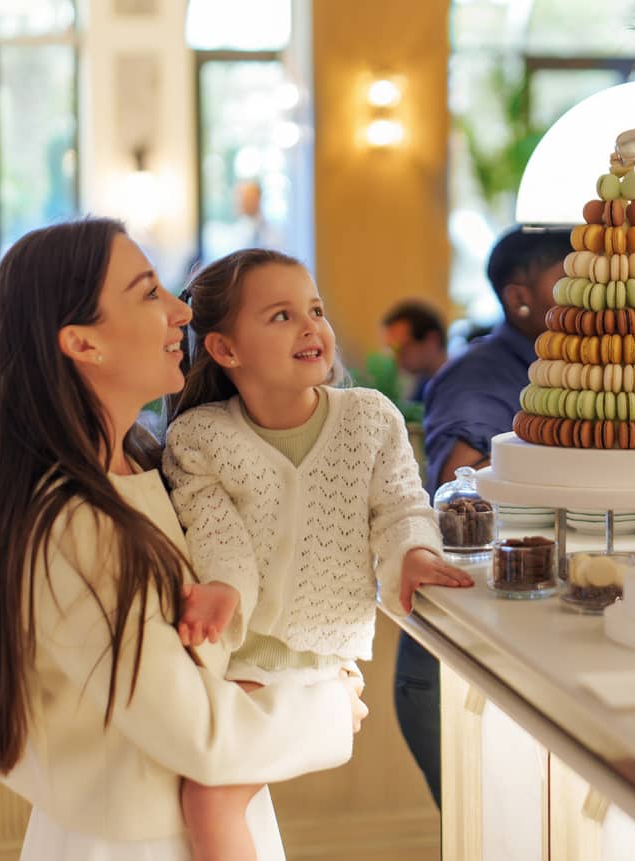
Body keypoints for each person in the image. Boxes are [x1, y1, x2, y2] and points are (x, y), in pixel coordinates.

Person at [0, 218, 368, 860]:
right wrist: (328, 705)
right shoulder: (74, 521)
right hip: (135, 843)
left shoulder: (149, 467)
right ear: (82, 343)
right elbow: (197, 732)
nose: (180, 310)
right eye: (148, 292)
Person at [161, 248, 475, 857]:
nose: (311, 328)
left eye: (316, 309)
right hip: (242, 664)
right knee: (206, 797)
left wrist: (412, 553)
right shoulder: (199, 438)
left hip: (324, 664)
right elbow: (214, 536)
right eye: (280, 316)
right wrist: (224, 592)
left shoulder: (369, 419)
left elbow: (402, 508)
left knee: (209, 797)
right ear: (225, 350)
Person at [393, 227, 571, 806]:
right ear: (520, 299)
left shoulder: (588, 374)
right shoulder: (479, 378)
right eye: (571, 278)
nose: (592, 291)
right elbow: (460, 482)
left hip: (537, 650)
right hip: (461, 663)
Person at [380, 299, 449, 403]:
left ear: (431, 341)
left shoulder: (457, 387)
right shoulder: (420, 387)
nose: (396, 358)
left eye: (402, 348)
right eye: (392, 350)